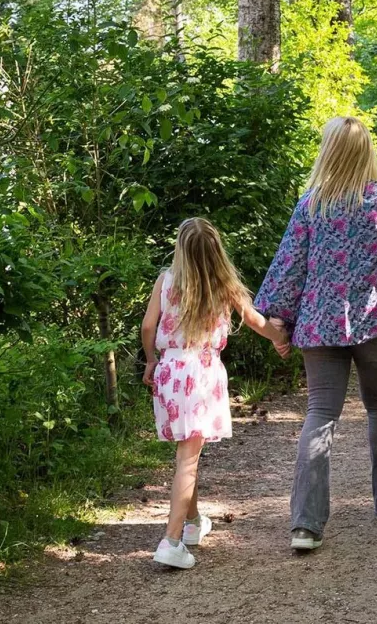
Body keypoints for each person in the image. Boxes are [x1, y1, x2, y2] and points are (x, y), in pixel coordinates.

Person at [255, 116, 377, 552]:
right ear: (367, 151)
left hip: (318, 325)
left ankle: (305, 525)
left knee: (320, 414)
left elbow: (289, 266)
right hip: (375, 324)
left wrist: (277, 321)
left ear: (328, 151)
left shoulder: (311, 203)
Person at [141, 217, 292, 570]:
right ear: (216, 250)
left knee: (185, 453)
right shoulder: (224, 284)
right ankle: (172, 541)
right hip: (202, 373)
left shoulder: (165, 281)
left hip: (169, 370)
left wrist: (150, 362)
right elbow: (256, 321)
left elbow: (149, 325)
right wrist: (280, 339)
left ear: (180, 248)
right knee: (188, 459)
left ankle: (192, 524)